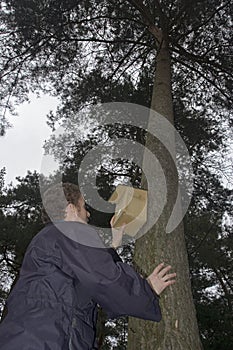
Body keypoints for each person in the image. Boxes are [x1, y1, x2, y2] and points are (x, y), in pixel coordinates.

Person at [0, 183, 176, 349]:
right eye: (84, 207)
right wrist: (147, 290)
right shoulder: (68, 232)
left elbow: (83, 280)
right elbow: (104, 278)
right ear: (71, 209)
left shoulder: (52, 241)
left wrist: (113, 244)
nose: (88, 214)